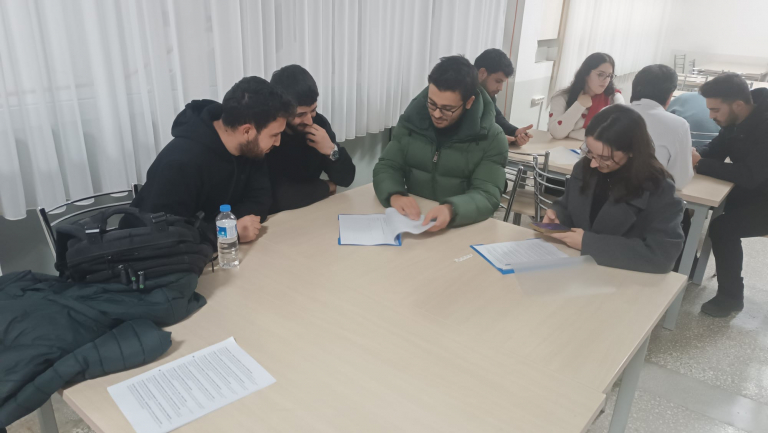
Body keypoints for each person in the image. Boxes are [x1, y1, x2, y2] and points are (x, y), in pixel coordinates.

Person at [127, 76, 295, 244]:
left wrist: (225, 227)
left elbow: (260, 201)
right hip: (145, 252)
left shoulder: (252, 149)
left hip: (211, 250)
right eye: (274, 135)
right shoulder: (181, 163)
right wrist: (227, 232)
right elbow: (163, 235)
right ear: (246, 132)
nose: (278, 142)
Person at [543, 104, 685, 273]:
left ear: (631, 151)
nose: (594, 163)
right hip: (576, 268)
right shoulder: (585, 167)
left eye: (604, 158)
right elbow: (568, 206)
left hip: (625, 277)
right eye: (589, 152)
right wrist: (558, 217)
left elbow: (662, 255)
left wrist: (589, 243)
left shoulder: (658, 188)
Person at [373, 55, 508, 231]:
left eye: (447, 109)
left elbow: (487, 194)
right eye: (432, 104)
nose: (436, 114)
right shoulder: (412, 122)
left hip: (463, 227)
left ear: (469, 102)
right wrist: (395, 195)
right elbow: (387, 166)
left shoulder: (492, 138)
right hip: (416, 222)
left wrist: (451, 209)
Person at [691, 74, 768, 317]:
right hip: (755, 189)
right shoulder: (734, 119)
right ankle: (686, 266)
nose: (711, 116)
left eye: (715, 110)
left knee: (723, 228)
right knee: (691, 203)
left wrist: (700, 163)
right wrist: (694, 155)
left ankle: (731, 297)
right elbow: (715, 150)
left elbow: (750, 174)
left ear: (738, 105)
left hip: (759, 191)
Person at [267, 65, 356, 214]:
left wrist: (331, 150)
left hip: (313, 207)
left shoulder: (319, 123)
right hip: (278, 217)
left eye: (313, 110)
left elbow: (346, 179)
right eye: (300, 114)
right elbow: (279, 197)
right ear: (281, 111)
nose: (309, 121)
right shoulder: (269, 134)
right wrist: (327, 186)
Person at [630, 64, 694, 189]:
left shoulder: (607, 112)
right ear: (670, 95)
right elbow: (679, 181)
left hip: (601, 194)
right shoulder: (678, 125)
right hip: (645, 196)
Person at [548, 52, 625, 140]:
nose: (606, 80)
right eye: (601, 74)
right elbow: (556, 133)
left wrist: (572, 134)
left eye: (609, 76)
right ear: (586, 73)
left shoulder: (614, 99)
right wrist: (579, 105)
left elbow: (617, 134)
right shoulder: (562, 98)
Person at [474, 48, 534, 145]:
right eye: (498, 81)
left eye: (503, 83)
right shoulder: (460, 94)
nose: (501, 88)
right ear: (482, 73)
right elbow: (460, 133)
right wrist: (493, 139)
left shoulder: (487, 94)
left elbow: (497, 118)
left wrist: (515, 133)